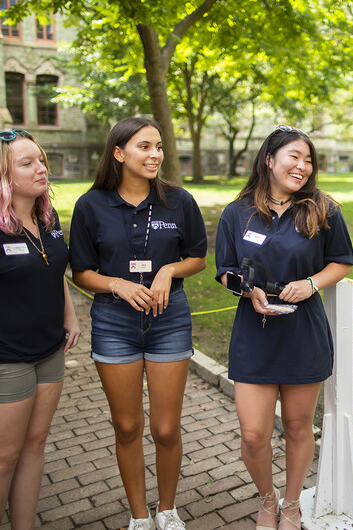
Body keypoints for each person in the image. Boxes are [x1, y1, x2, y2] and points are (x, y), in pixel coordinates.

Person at [69, 117, 207, 530]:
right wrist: (116, 285)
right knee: (127, 426)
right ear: (118, 152)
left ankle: (167, 509)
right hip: (114, 322)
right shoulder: (90, 205)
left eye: (159, 147)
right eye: (144, 147)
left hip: (168, 320)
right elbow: (80, 271)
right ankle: (140, 516)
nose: (155, 155)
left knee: (166, 428)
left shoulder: (178, 201)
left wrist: (168, 271)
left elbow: (198, 257)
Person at [215, 124, 353, 530]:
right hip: (254, 330)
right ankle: (266, 497)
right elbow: (223, 270)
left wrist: (312, 283)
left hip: (302, 331)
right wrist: (247, 290)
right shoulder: (236, 212)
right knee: (254, 434)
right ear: (269, 159)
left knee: (297, 426)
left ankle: (291, 503)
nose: (303, 166)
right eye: (294, 156)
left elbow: (342, 261)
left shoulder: (323, 208)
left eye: (308, 160)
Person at [0, 129, 80, 528]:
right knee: (4, 457)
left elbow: (52, 267)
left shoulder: (47, 217)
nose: (41, 168)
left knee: (34, 446)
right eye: (27, 163)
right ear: (4, 175)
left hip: (50, 351)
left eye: (42, 160)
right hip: (8, 357)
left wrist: (70, 315)